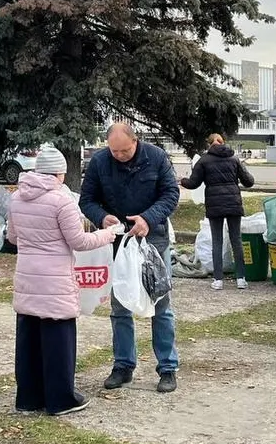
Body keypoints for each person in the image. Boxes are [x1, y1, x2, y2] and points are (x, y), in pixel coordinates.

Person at [7, 148, 116, 416]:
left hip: (27, 275)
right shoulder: (61, 200)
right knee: (58, 340)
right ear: (60, 172)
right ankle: (61, 399)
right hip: (55, 279)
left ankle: (28, 398)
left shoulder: (17, 197)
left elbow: (12, 238)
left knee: (29, 337)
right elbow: (79, 241)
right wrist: (107, 234)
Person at [79, 123, 180, 393]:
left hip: (153, 238)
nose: (119, 155)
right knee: (120, 305)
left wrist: (148, 218)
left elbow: (171, 194)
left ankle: (168, 368)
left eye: (124, 150)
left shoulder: (156, 157)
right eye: (114, 151)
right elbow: (86, 200)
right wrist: (101, 217)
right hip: (118, 240)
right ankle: (123, 365)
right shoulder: (100, 161)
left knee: (161, 303)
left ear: (136, 142)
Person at [180, 133, 255, 291]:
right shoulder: (234, 159)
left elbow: (194, 183)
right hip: (234, 203)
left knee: (217, 241)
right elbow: (249, 182)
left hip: (215, 204)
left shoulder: (204, 160)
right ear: (223, 143)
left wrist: (182, 181)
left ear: (209, 144)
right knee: (236, 240)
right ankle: (241, 278)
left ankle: (218, 279)